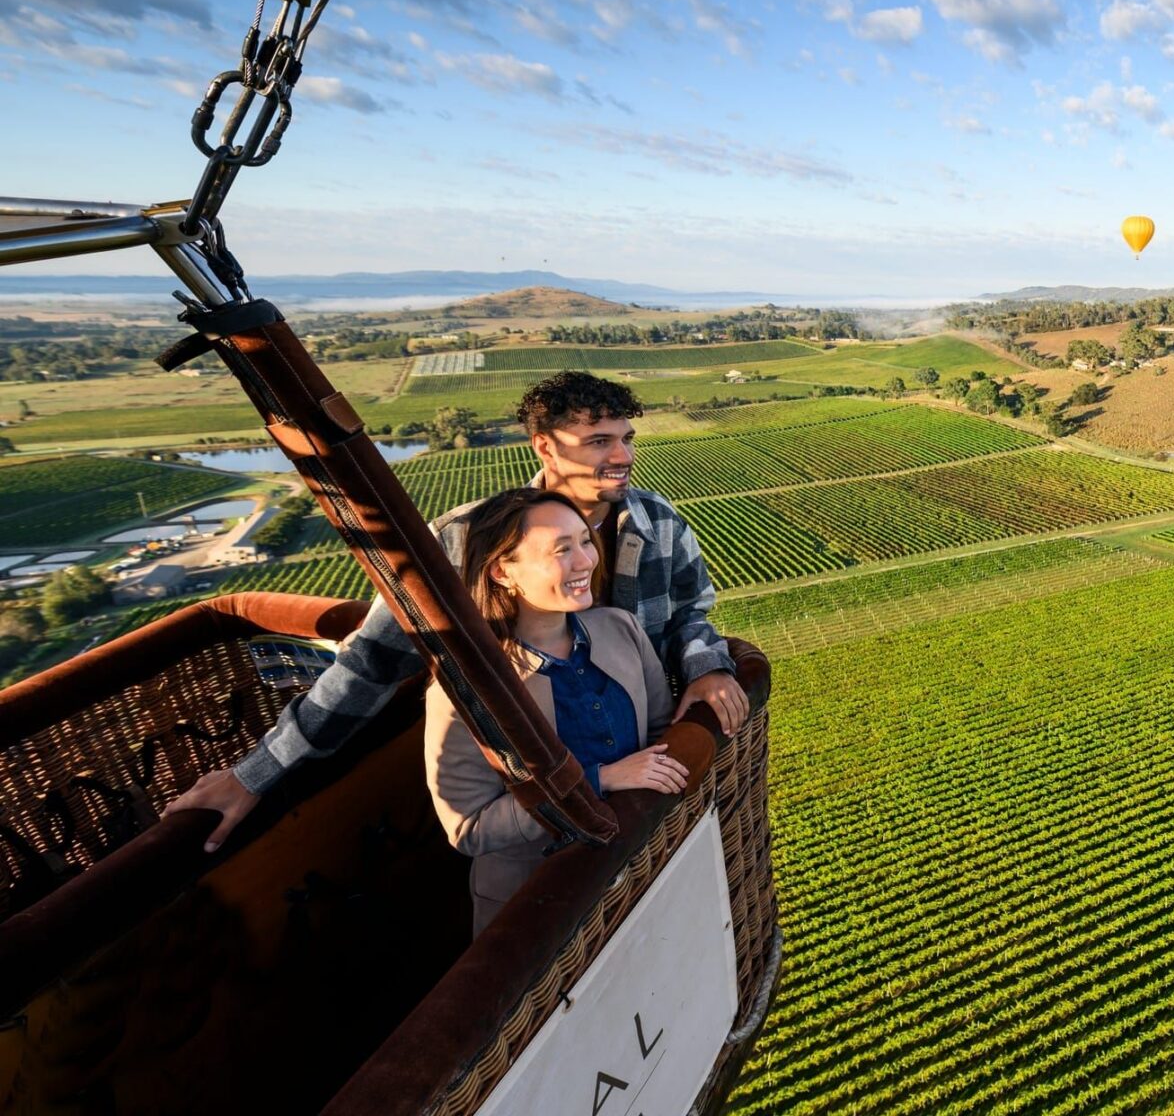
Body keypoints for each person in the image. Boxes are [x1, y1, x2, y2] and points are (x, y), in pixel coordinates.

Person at [167, 371, 766, 852]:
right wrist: (258, 773)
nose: (622, 455)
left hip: (637, 773)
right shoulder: (461, 542)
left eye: (627, 438)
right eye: (599, 442)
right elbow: (371, 665)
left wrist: (708, 666)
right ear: (545, 447)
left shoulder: (657, 522)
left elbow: (691, 612)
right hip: (525, 800)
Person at [427, 487, 686, 937]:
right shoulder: (466, 688)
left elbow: (663, 733)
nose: (586, 561)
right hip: (540, 911)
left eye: (585, 541)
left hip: (641, 875)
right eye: (562, 550)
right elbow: (469, 827)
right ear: (502, 571)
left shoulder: (621, 628)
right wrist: (599, 780)